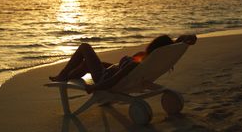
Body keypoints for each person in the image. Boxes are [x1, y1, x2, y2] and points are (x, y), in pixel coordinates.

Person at [49, 34, 197, 93]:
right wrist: (182, 42)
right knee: (85, 64)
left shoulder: (137, 64)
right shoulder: (150, 61)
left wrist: (94, 88)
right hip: (112, 71)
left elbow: (114, 80)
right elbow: (191, 38)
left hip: (104, 77)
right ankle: (67, 76)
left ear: (153, 47)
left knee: (85, 47)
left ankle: (63, 76)